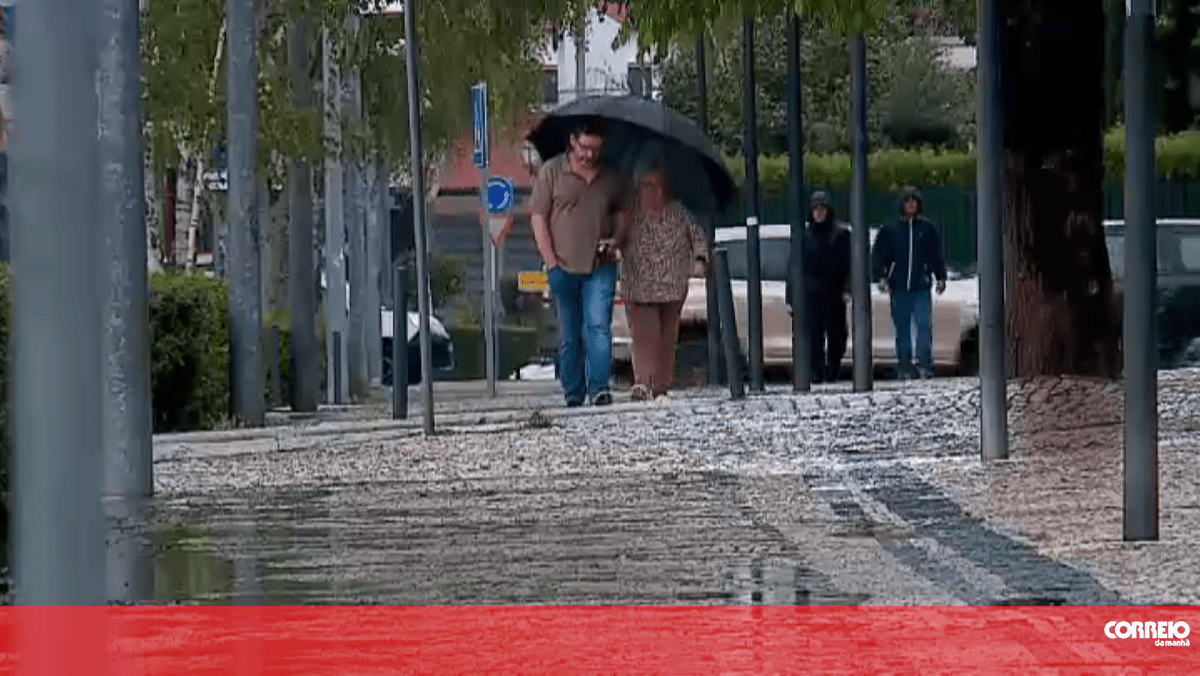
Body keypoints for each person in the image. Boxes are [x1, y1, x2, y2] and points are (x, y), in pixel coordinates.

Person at [529, 117, 632, 407]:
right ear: (573, 140)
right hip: (562, 265)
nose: (590, 155)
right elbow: (538, 217)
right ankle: (573, 390)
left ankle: (599, 387)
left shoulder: (611, 176)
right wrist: (550, 262)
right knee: (570, 333)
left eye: (596, 149)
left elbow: (623, 213)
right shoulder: (552, 172)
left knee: (598, 326)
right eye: (585, 148)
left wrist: (616, 238)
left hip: (600, 265)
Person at [619, 161, 708, 403]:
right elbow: (616, 234)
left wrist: (699, 260)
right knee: (644, 335)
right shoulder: (631, 212)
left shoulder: (680, 210)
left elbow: (697, 236)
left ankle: (660, 386)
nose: (654, 191)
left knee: (667, 337)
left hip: (673, 284)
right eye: (648, 185)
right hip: (640, 284)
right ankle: (642, 383)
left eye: (659, 185)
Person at [870, 187, 948, 379]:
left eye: (914, 201)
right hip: (898, 287)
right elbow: (879, 255)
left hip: (920, 285)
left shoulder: (928, 228)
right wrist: (880, 276)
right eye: (908, 201)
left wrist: (940, 276)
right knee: (902, 328)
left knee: (923, 326)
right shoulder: (890, 229)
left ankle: (924, 365)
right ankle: (904, 366)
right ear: (902, 204)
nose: (911, 204)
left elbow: (936, 254)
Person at [786, 191, 851, 383]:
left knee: (837, 336)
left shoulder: (841, 234)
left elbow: (850, 264)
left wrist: (847, 288)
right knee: (813, 337)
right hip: (811, 294)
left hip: (835, 293)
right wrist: (791, 297)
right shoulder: (804, 236)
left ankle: (832, 371)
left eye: (822, 208)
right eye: (816, 208)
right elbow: (794, 268)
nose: (819, 212)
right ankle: (817, 372)